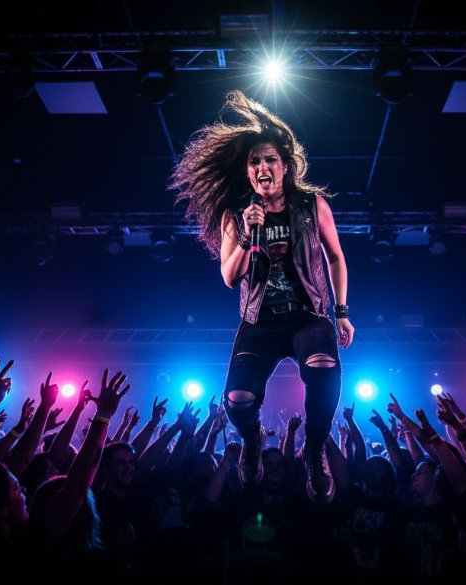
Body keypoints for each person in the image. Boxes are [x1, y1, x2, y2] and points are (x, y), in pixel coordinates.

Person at [170, 89, 354, 503]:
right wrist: (249, 234)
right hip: (260, 323)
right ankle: (253, 441)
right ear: (249, 172)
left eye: (270, 159)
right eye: (255, 162)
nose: (262, 167)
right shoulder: (236, 214)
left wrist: (340, 312)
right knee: (237, 400)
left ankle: (313, 450)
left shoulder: (311, 204)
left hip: (308, 315)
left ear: (285, 167)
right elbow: (229, 276)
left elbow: (337, 259)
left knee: (324, 370)